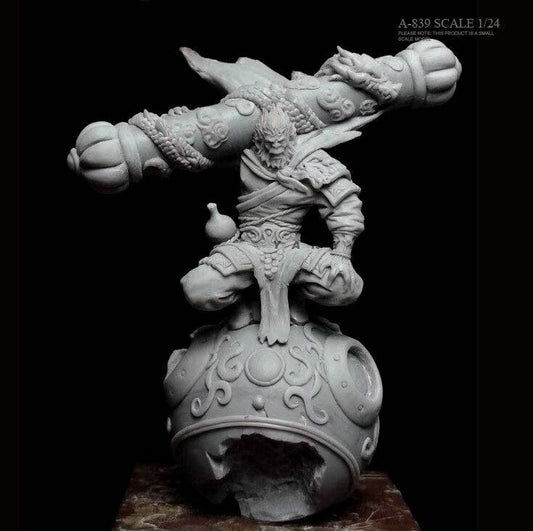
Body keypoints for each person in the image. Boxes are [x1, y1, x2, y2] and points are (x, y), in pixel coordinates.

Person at [181, 105, 365, 345]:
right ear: (259, 139)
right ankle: (242, 305)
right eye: (269, 143)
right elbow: (199, 153)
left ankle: (296, 298)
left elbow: (345, 203)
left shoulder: (312, 162)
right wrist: (185, 125)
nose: (275, 148)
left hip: (292, 250)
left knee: (346, 286)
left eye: (280, 142)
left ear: (290, 137)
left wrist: (342, 252)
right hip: (246, 247)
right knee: (196, 288)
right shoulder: (246, 157)